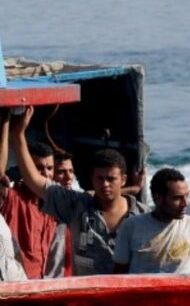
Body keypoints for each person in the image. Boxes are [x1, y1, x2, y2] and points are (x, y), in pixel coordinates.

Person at [10, 107, 147, 275]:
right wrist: (18, 136)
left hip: (127, 297)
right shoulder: (76, 206)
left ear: (123, 180)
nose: (105, 184)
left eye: (111, 179)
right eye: (100, 178)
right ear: (91, 179)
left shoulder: (142, 215)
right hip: (86, 298)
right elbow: (35, 180)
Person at [0, 123, 60, 279]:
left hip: (45, 286)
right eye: (39, 168)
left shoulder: (55, 203)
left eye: (49, 168)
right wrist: (4, 121)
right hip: (15, 285)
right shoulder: (12, 198)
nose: (46, 174)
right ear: (26, 167)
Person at [113, 168, 190, 274]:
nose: (185, 203)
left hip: (180, 290)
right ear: (157, 198)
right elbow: (120, 272)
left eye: (186, 196)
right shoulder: (132, 226)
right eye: (177, 198)